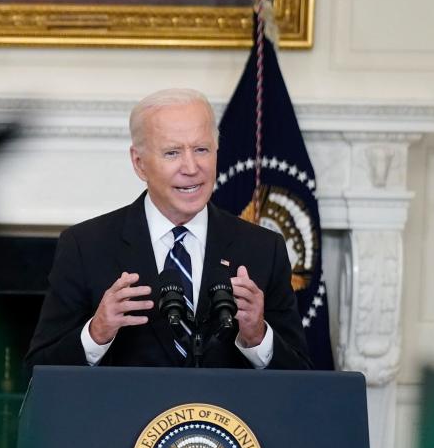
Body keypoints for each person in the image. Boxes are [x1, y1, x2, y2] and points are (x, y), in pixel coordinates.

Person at [25, 88, 311, 371]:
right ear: (139, 164)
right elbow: (36, 372)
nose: (191, 167)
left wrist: (258, 338)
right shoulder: (85, 246)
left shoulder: (263, 249)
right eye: (172, 153)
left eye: (201, 149)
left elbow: (303, 381)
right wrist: (96, 333)